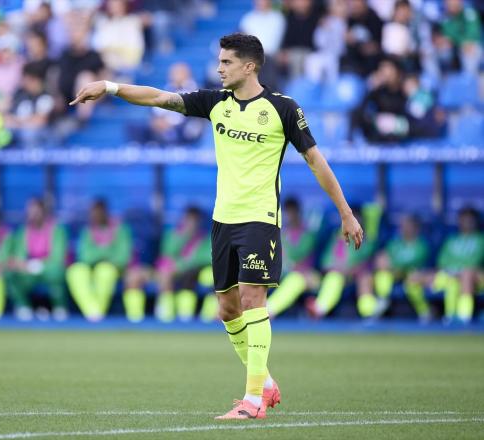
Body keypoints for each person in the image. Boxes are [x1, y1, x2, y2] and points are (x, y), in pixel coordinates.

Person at [70, 32, 363, 420]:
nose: (219, 68)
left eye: (226, 62)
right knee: (227, 309)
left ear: (250, 66)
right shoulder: (215, 103)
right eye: (219, 61)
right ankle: (266, 382)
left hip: (259, 219)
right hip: (222, 220)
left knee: (252, 299)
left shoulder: (283, 108)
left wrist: (344, 211)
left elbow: (315, 160)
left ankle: (253, 401)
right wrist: (110, 86)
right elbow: (159, 97)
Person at [123, 206, 213, 323]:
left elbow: (206, 258)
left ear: (199, 222)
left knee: (168, 274)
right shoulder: (172, 234)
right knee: (134, 277)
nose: (191, 223)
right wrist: (184, 236)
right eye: (188, 219)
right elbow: (167, 253)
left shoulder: (206, 238)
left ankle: (167, 316)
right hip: (165, 270)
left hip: (191, 273)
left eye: (194, 220)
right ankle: (135, 319)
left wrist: (182, 265)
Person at [410, 207, 483, 324]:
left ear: (476, 222)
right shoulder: (451, 240)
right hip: (449, 274)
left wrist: (459, 270)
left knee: (466, 273)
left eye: (470, 220)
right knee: (414, 277)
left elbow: (476, 260)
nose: (467, 223)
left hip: (474, 276)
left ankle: (464, 317)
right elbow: (442, 261)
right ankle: (426, 313)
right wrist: (448, 271)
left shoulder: (481, 240)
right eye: (463, 220)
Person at [306, 204, 379, 319]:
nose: (354, 223)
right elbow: (326, 263)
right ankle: (319, 309)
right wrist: (336, 269)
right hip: (338, 276)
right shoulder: (338, 238)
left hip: (358, 277)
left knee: (365, 279)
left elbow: (368, 261)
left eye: (356, 218)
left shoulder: (367, 240)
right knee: (334, 277)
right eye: (351, 219)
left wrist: (350, 270)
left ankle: (370, 313)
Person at [66, 199, 132, 322]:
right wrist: (106, 251)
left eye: (99, 213)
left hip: (114, 269)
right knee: (75, 271)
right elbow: (84, 256)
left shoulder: (120, 229)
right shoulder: (87, 231)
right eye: (93, 213)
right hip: (90, 267)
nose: (95, 216)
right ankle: (92, 312)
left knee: (104, 270)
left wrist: (100, 254)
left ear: (105, 212)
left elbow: (122, 257)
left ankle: (96, 315)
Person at [6, 198, 68, 321]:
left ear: (44, 212)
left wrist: (38, 264)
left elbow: (58, 257)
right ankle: (23, 307)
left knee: (57, 271)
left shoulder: (57, 230)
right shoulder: (22, 231)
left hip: (49, 268)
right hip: (28, 271)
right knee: (10, 273)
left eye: (36, 211)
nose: (33, 215)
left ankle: (60, 308)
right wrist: (24, 265)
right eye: (30, 211)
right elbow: (19, 257)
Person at [370, 214, 430, 322]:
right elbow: (386, 256)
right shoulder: (395, 243)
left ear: (415, 228)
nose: (404, 228)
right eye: (403, 226)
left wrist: (394, 265)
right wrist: (382, 259)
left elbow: (415, 261)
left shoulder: (421, 244)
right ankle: (382, 300)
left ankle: (424, 312)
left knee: (413, 282)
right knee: (382, 274)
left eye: (408, 225)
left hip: (414, 274)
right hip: (394, 272)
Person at [266, 197, 320, 318]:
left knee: (295, 279)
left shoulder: (308, 234)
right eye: (287, 211)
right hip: (281, 274)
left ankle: (269, 310)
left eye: (292, 211)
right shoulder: (280, 232)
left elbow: (297, 255)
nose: (289, 215)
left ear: (298, 212)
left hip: (306, 275)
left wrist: (283, 243)